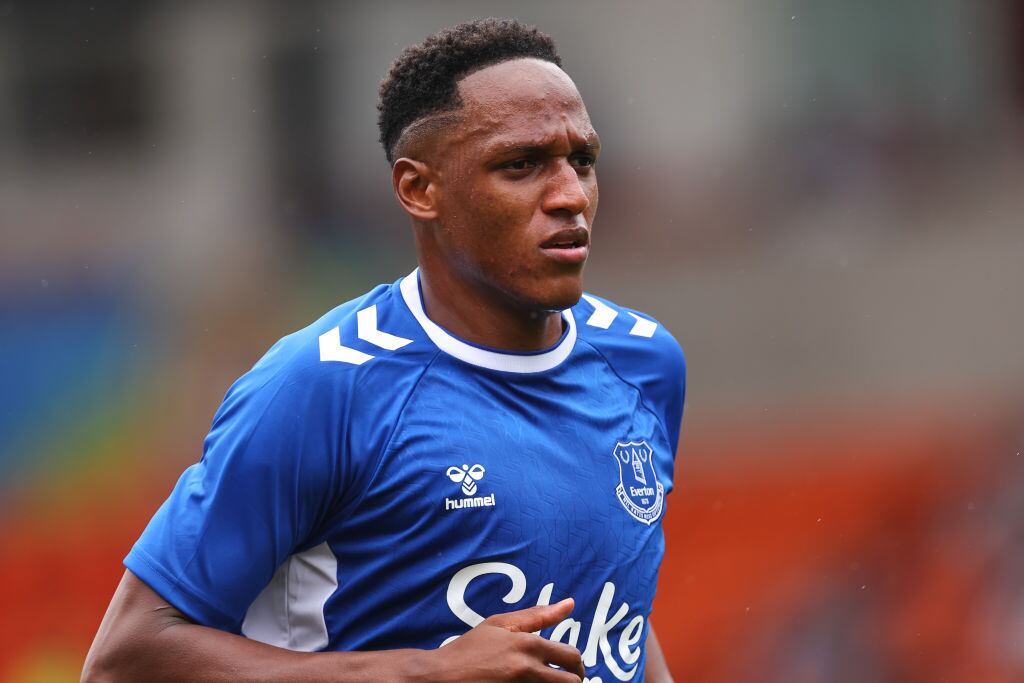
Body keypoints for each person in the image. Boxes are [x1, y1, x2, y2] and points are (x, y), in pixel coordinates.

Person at [83, 18, 685, 683]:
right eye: (521, 164)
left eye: (582, 160)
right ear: (419, 189)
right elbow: (127, 657)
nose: (570, 195)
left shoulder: (645, 363)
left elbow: (620, 614)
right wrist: (427, 673)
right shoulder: (324, 385)